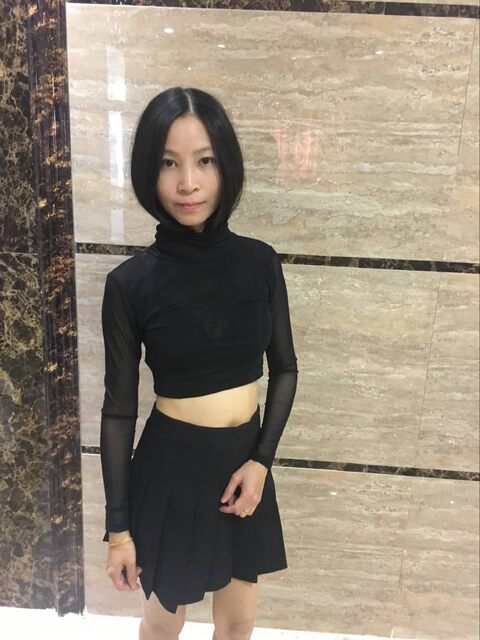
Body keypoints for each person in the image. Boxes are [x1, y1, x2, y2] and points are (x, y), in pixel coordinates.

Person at [100, 86, 298, 640]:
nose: (187, 182)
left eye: (204, 161)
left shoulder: (260, 262)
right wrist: (119, 532)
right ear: (148, 171)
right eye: (169, 163)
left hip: (245, 468)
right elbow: (118, 413)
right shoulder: (130, 284)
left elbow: (285, 368)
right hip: (171, 470)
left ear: (226, 165)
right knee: (164, 624)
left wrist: (261, 461)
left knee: (238, 626)